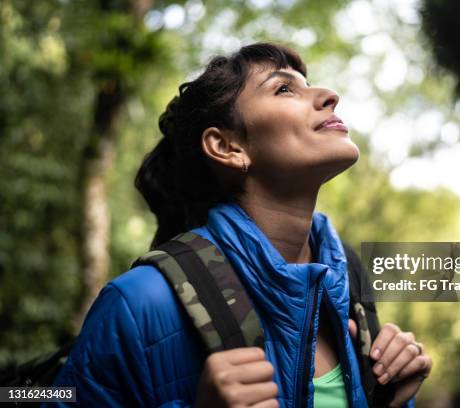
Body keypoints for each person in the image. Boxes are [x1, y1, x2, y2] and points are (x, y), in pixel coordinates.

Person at [45, 42, 432, 407]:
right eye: (283, 89)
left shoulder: (348, 286)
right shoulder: (137, 303)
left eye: (308, 85)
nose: (330, 95)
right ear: (227, 147)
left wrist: (393, 397)